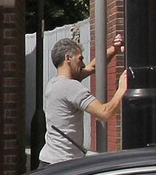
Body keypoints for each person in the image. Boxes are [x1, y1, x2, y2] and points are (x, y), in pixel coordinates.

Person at [39, 34, 125, 164]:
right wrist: (122, 89)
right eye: (80, 59)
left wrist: (114, 49)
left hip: (48, 159)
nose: (83, 63)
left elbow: (92, 67)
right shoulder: (71, 87)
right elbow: (105, 113)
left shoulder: (54, 83)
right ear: (68, 58)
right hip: (63, 163)